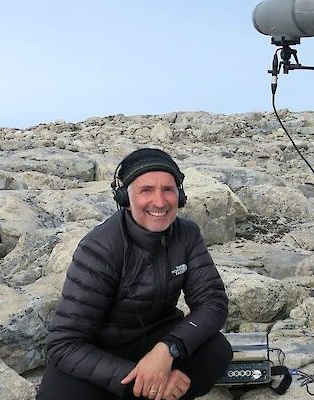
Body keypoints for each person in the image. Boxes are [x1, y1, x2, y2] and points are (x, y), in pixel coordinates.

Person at [38, 148, 232, 400]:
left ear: (180, 195)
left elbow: (213, 303)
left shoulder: (187, 234)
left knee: (216, 351)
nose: (160, 202)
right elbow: (63, 344)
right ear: (125, 197)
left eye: (168, 190)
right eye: (146, 190)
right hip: (99, 352)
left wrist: (167, 350)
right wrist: (139, 379)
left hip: (156, 340)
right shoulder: (99, 248)